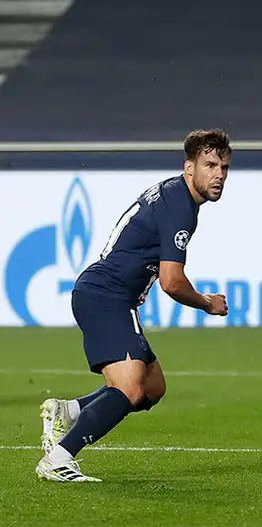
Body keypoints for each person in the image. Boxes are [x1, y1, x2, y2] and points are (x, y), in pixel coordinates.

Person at [36, 130, 232, 482]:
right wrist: (207, 303)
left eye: (224, 167)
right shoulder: (181, 208)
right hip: (104, 295)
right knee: (130, 388)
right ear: (190, 167)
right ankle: (59, 458)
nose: (219, 174)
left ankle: (68, 410)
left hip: (111, 295)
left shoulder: (174, 194)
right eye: (210, 165)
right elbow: (172, 282)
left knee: (152, 388)